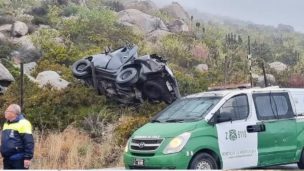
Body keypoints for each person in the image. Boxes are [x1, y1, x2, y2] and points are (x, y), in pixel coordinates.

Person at [1, 104, 34, 169]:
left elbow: (29, 142)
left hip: (19, 159)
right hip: (7, 159)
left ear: (14, 113)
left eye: (7, 111)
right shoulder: (6, 124)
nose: (5, 112)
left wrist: (27, 158)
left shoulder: (24, 123)